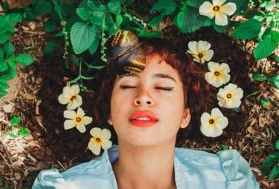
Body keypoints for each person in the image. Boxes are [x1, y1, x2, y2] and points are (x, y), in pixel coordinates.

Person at [32, 30, 259, 189]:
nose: (143, 97)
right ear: (109, 112)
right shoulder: (65, 187)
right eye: (128, 85)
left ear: (185, 115)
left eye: (162, 87)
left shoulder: (226, 180)